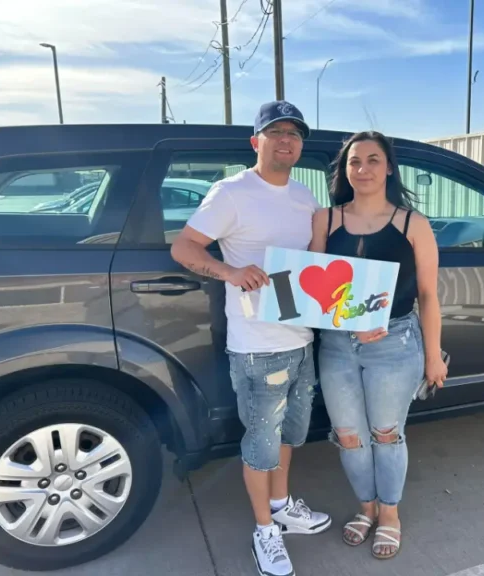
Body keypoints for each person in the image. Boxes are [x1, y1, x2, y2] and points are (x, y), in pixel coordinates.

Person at [171, 101, 331, 576]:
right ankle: (265, 532)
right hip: (257, 347)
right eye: (276, 131)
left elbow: (314, 273)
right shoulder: (232, 193)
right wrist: (229, 271)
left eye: (295, 134)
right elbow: (184, 246)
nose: (286, 140)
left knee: (290, 435)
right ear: (255, 141)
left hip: (301, 340)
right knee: (261, 444)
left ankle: (281, 506)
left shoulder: (305, 198)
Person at [308, 131, 448, 560]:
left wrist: (432, 356)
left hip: (395, 344)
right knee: (349, 436)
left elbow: (428, 295)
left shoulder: (413, 224)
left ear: (389, 167)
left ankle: (390, 514)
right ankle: (365, 508)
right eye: (355, 162)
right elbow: (311, 292)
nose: (363, 169)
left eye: (373, 160)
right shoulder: (325, 220)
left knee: (386, 435)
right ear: (344, 170)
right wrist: (345, 322)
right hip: (336, 347)